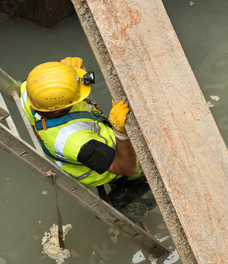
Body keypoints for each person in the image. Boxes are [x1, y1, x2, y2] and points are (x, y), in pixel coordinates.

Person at [20, 56, 156, 222]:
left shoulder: (32, 89)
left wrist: (69, 76)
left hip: (95, 145)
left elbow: (50, 86)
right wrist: (121, 134)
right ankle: (120, 200)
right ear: (59, 109)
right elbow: (127, 168)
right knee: (151, 186)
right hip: (109, 167)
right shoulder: (76, 142)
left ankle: (127, 191)